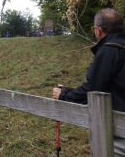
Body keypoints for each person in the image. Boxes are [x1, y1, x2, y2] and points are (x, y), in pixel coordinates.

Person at [52, 8, 125, 156]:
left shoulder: (109, 50)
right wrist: (68, 90)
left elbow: (93, 91)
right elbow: (112, 86)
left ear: (98, 30)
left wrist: (64, 95)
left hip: (120, 128)